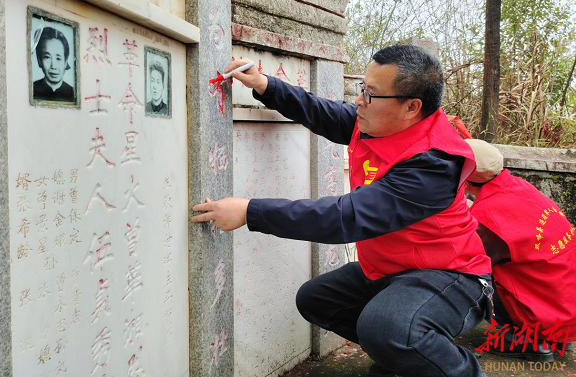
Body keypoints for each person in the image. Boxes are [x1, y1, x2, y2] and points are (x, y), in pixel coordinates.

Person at [192, 45, 492, 377]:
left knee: (386, 328)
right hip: (391, 268)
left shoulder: (433, 165)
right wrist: (264, 84)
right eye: (362, 88)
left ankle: (456, 368)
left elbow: (346, 216)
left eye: (371, 94)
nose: (359, 100)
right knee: (317, 299)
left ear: (412, 106)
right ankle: (407, 358)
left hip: (451, 275)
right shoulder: (383, 123)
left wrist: (250, 212)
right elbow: (325, 113)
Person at [465, 139, 575, 361]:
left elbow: (467, 261)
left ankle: (525, 340)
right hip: (567, 308)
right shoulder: (519, 186)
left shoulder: (489, 218)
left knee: (467, 277)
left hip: (546, 316)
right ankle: (556, 335)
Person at [33, 27, 75, 102]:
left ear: (65, 62)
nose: (53, 66)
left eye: (58, 58)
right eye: (47, 57)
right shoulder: (32, 89)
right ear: (39, 61)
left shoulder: (73, 93)